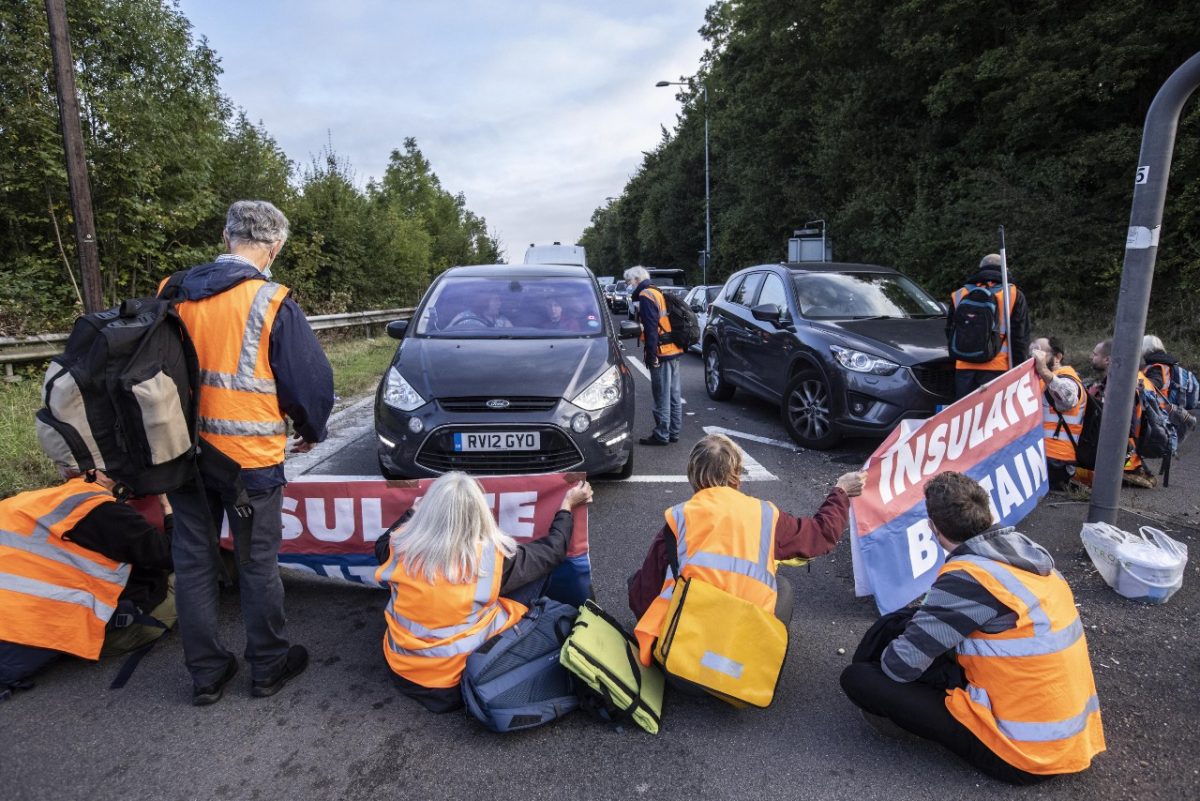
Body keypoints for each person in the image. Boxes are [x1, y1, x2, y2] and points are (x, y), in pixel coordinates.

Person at [164, 200, 334, 705]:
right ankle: (268, 665)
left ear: (225, 236)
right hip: (248, 462)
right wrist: (310, 428)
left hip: (182, 456)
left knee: (193, 562)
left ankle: (207, 673)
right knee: (257, 562)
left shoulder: (172, 292)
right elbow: (310, 382)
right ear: (275, 246)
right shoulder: (271, 300)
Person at [840, 471, 1105, 785]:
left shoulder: (968, 578)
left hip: (1022, 754)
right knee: (905, 622)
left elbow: (900, 668)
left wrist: (891, 657)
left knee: (859, 678)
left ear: (932, 528)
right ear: (988, 515)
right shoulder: (1027, 557)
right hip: (1067, 735)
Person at [629, 434, 864, 667]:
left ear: (692, 474)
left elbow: (644, 595)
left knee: (640, 580)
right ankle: (760, 654)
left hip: (680, 662)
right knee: (781, 587)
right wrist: (841, 491)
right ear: (736, 474)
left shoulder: (677, 520)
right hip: (741, 667)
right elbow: (820, 534)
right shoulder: (765, 516)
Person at [374, 472, 593, 713]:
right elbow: (552, 552)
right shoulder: (490, 558)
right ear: (479, 513)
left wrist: (413, 512)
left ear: (428, 510)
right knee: (536, 570)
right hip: (458, 681)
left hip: (402, 670)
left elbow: (381, 543)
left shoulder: (397, 544)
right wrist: (566, 505)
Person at [0, 467, 174, 698]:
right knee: (185, 582)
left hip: (14, 621)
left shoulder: (29, 501)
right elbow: (174, 554)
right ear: (97, 472)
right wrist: (169, 508)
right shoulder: (102, 511)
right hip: (27, 634)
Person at [947, 254, 1031, 399]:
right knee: (992, 419)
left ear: (980, 269)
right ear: (1005, 270)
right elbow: (1020, 338)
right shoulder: (1013, 294)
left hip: (964, 368)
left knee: (966, 417)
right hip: (997, 369)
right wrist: (1019, 372)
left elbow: (950, 331)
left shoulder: (960, 294)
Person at [625, 266, 682, 445]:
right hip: (672, 348)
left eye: (629, 281)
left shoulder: (645, 295)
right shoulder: (656, 291)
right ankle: (673, 432)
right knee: (673, 395)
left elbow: (651, 328)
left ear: (636, 279)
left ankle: (661, 434)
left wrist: (651, 355)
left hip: (661, 351)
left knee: (661, 396)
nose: (628, 285)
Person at [1089, 338, 1157, 488]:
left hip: (1124, 456)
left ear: (1107, 360)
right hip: (1133, 453)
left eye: (1094, 354)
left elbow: (1124, 426)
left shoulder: (1121, 384)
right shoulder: (1136, 378)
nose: (1090, 357)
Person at [1030, 337, 1086, 490]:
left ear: (1057, 357)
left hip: (1056, 460)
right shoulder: (1038, 380)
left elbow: (1068, 397)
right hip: (1039, 457)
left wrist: (1043, 370)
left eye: (1039, 352)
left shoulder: (1068, 378)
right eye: (1031, 351)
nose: (1034, 357)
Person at [449, 290, 513, 329]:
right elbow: (448, 332)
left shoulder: (503, 321)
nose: (499, 303)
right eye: (496, 300)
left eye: (500, 300)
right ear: (484, 302)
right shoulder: (464, 317)